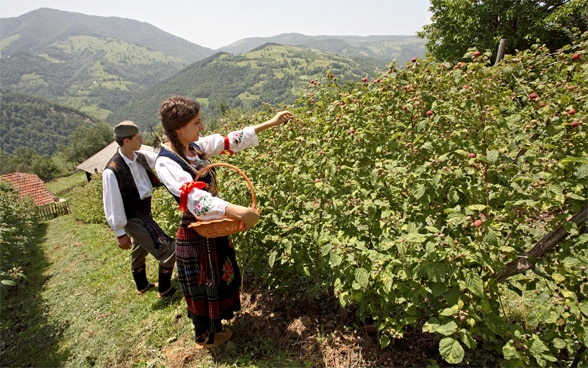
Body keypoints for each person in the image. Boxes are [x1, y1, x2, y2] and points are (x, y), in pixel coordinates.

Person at [154, 96, 292, 348]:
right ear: (178, 128)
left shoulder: (192, 147)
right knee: (203, 280)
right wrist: (236, 211)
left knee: (219, 274)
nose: (202, 127)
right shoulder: (166, 162)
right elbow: (195, 200)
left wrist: (270, 123)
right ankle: (205, 336)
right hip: (196, 230)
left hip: (213, 225)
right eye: (196, 123)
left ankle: (216, 327)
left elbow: (227, 140)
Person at [102, 120, 177, 298]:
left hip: (144, 211)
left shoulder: (140, 156)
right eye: (137, 137)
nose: (141, 140)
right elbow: (112, 203)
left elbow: (160, 156)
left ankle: (142, 285)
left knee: (139, 249)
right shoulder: (112, 170)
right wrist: (120, 232)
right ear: (126, 141)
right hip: (133, 217)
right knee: (169, 249)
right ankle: (165, 290)